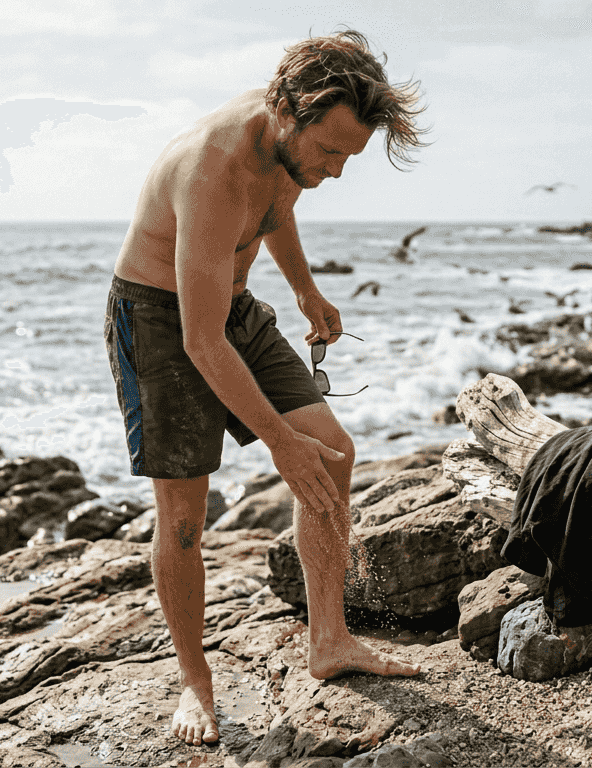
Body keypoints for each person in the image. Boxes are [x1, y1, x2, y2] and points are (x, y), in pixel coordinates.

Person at [104, 29, 427, 747]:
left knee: (332, 453)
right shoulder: (210, 167)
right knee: (186, 514)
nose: (337, 171)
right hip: (163, 320)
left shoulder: (289, 145)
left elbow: (279, 206)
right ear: (290, 111)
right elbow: (199, 340)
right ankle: (194, 679)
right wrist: (278, 443)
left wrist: (306, 291)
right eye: (332, 152)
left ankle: (329, 639)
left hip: (232, 308)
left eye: (350, 155)